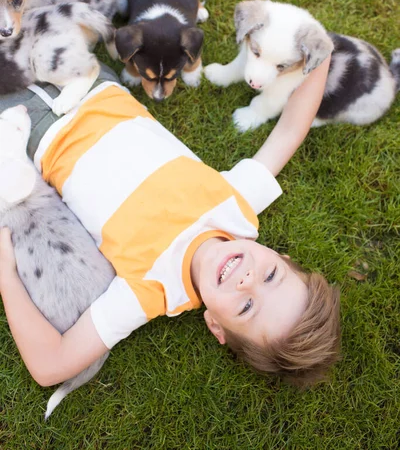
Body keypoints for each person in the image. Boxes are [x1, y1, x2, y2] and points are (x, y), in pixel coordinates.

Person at [0, 57, 340, 390]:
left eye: (248, 307)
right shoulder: (238, 204)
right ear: (278, 255)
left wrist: (6, 274)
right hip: (89, 82)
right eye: (271, 276)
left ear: (216, 326)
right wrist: (319, 50)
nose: (248, 280)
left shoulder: (150, 291)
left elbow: (50, 367)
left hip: (27, 130)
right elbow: (291, 131)